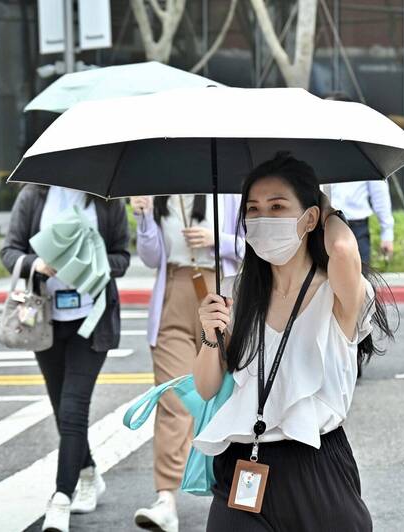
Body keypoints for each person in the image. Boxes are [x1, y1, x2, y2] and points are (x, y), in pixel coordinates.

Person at [192, 152, 395, 531]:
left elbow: (344, 250)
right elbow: (205, 388)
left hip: (315, 467)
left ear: (310, 217)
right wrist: (209, 333)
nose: (262, 218)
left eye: (277, 206)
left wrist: (328, 210)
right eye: (252, 209)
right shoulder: (238, 294)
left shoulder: (338, 293)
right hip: (243, 464)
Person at [0, 185, 129, 532]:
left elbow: (122, 258)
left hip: (92, 321)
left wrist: (91, 259)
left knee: (74, 409)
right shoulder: (35, 196)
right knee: (62, 410)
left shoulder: (106, 198)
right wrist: (36, 264)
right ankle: (88, 473)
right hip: (45, 321)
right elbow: (9, 251)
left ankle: (60, 498)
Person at [129, 194, 244, 531]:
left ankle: (238, 490)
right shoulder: (161, 192)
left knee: (230, 396)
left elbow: (253, 245)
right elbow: (151, 257)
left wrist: (216, 241)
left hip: (222, 290)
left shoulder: (228, 191)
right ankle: (166, 498)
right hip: (176, 292)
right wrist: (145, 217)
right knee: (174, 398)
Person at [324, 92, 395, 264]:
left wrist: (387, 233)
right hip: (322, 227)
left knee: (360, 285)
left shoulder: (363, 150)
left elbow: (379, 194)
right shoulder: (318, 150)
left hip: (355, 228)